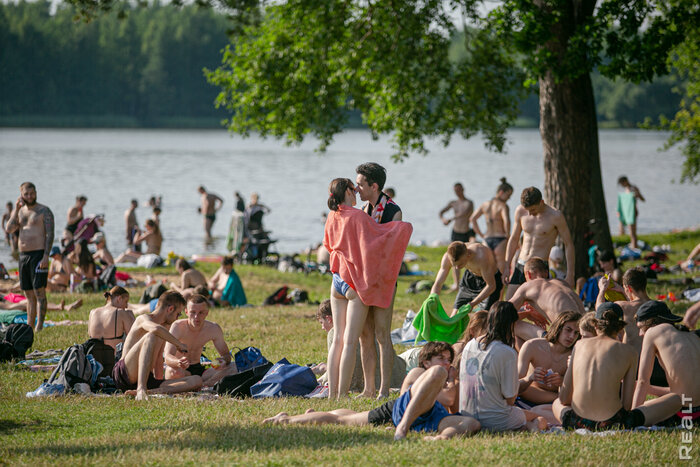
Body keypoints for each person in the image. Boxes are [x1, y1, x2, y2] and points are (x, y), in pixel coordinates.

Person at [265, 342, 481, 441]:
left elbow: (452, 407)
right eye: (440, 359)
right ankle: (286, 420)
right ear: (425, 362)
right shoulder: (418, 373)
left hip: (430, 419)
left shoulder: (446, 378)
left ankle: (436, 440)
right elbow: (438, 397)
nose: (445, 363)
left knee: (472, 423)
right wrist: (450, 379)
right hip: (399, 414)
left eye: (448, 360)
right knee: (342, 422)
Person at [324, 176, 412, 399]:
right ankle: (342, 395)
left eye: (360, 185)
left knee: (338, 339)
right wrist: (402, 229)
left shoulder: (332, 215)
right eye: (354, 188)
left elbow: (328, 245)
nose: (357, 190)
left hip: (337, 281)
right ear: (349, 193)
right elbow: (375, 240)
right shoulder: (358, 215)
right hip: (354, 284)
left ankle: (332, 393)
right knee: (351, 341)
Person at [552, 302, 681, 430]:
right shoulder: (630, 352)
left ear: (595, 325)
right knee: (676, 399)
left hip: (576, 421)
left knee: (556, 403)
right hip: (613, 423)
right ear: (620, 328)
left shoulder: (579, 346)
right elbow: (626, 405)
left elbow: (563, 398)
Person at [459, 301, 548, 432]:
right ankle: (527, 428)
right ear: (512, 324)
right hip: (494, 420)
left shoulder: (470, 345)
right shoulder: (506, 352)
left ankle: (523, 427)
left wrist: (529, 379)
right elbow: (510, 399)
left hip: (467, 415)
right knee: (540, 418)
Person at [355, 162, 403, 399]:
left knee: (383, 335)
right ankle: (368, 388)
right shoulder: (363, 209)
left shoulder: (394, 211)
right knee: (365, 335)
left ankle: (384, 389)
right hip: (364, 280)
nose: (357, 188)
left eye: (360, 184)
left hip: (384, 281)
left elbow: (393, 251)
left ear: (374, 186)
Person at [111, 291, 202, 400]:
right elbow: (155, 329)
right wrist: (178, 344)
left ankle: (152, 391)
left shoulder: (165, 327)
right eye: (178, 314)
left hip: (146, 377)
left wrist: (159, 381)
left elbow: (159, 358)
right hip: (125, 374)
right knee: (152, 335)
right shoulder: (144, 319)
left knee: (196, 380)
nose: (177, 318)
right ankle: (141, 389)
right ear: (170, 309)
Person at [315, 299, 406, 393]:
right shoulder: (365, 327)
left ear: (329, 319)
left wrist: (321, 380)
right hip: (399, 375)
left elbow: (340, 370)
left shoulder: (335, 333)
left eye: (322, 323)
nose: (322, 328)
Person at [632, 301, 700, 424]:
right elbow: (684, 389)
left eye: (641, 328)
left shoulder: (653, 332)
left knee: (636, 413)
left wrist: (632, 417)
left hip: (683, 412)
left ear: (651, 322)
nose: (640, 334)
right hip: (695, 411)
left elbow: (643, 381)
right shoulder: (692, 337)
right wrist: (650, 389)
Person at [504, 187, 574, 298]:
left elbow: (569, 244)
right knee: (509, 302)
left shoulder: (555, 216)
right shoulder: (520, 211)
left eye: (533, 210)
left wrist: (570, 274)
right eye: (527, 210)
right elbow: (514, 239)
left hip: (540, 267)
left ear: (541, 202)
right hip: (521, 265)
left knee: (539, 308)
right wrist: (506, 266)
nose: (530, 214)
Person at [3, 182, 54, 332]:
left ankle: (39, 326)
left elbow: (50, 234)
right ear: (21, 195)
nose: (29, 196)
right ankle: (30, 326)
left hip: (38, 254)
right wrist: (16, 209)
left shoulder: (44, 211)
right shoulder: (20, 212)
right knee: (28, 293)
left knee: (39, 291)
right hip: (23, 255)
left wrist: (46, 256)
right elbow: (9, 228)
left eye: (32, 193)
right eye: (26, 194)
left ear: (36, 193)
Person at [164, 294, 239, 387]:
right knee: (173, 371)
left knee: (235, 367)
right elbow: (167, 356)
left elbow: (226, 355)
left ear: (207, 313)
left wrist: (223, 361)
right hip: (180, 370)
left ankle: (202, 385)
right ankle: (202, 384)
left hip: (200, 369)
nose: (196, 317)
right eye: (193, 312)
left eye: (201, 313)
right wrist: (178, 362)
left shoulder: (213, 328)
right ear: (186, 312)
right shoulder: (178, 327)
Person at [509, 257, 584, 340]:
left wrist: (527, 314)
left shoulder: (529, 286)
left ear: (528, 274)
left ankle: (545, 340)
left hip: (569, 338)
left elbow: (501, 314)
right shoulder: (562, 283)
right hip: (586, 334)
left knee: (513, 326)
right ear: (546, 272)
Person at [517, 311, 581, 406]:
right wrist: (530, 378)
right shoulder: (532, 346)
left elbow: (580, 389)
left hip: (557, 402)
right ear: (558, 328)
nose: (572, 336)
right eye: (568, 330)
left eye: (576, 333)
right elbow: (515, 385)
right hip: (531, 392)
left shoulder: (576, 355)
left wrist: (562, 381)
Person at [430, 241, 502, 316]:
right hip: (470, 278)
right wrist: (432, 298)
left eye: (460, 264)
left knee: (482, 318)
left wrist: (472, 304)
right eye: (454, 265)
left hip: (489, 282)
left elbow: (491, 286)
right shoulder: (448, 257)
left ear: (468, 255)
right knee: (455, 315)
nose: (457, 268)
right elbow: (438, 283)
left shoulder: (481, 255)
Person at [595, 267, 650, 356]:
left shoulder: (624, 306)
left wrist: (602, 290)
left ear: (629, 288)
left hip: (630, 359)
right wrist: (623, 290)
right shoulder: (658, 305)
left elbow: (600, 310)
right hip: (653, 360)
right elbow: (638, 302)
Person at [470, 177, 513, 275]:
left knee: (488, 267)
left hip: (487, 238)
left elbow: (472, 219)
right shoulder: (503, 206)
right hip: (500, 238)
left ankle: (490, 287)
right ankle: (501, 289)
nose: (508, 198)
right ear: (501, 192)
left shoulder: (485, 204)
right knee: (501, 266)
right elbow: (507, 221)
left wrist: (481, 235)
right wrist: (508, 235)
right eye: (508, 195)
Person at [88, 286, 136, 351]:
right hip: (114, 358)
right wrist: (131, 317)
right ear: (119, 298)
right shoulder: (121, 313)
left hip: (94, 358)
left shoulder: (93, 312)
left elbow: (90, 336)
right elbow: (134, 338)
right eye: (126, 302)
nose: (126, 306)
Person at [617, 176, 645, 249]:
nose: (622, 185)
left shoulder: (633, 188)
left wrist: (637, 195)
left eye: (622, 183)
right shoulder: (625, 190)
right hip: (626, 213)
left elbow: (643, 199)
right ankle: (633, 245)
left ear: (625, 181)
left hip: (633, 212)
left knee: (632, 232)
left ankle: (634, 247)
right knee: (629, 231)